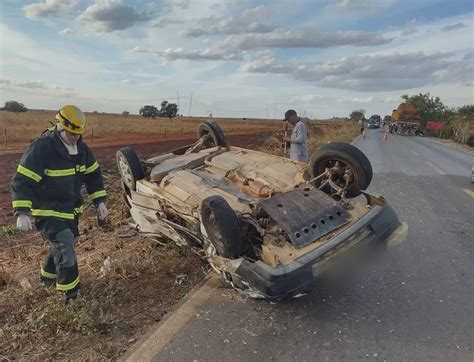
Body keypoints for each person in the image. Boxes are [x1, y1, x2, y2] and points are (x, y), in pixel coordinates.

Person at [11, 105, 108, 302]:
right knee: (65, 245)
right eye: (72, 133)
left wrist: (100, 202)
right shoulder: (42, 149)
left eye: (79, 133)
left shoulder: (81, 149)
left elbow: (93, 176)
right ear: (60, 126)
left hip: (69, 212)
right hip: (46, 212)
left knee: (59, 246)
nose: (76, 137)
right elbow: (22, 181)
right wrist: (22, 212)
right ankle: (69, 295)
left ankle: (47, 279)